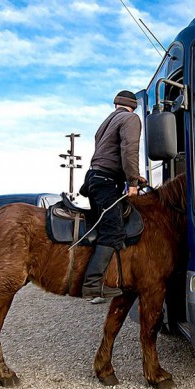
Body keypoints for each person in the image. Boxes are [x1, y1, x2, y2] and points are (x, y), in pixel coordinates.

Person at [82, 90, 147, 299]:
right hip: (107, 181)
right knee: (114, 229)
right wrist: (133, 183)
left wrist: (135, 176)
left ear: (116, 104)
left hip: (94, 178)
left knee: (103, 227)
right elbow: (130, 149)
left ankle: (109, 275)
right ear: (133, 105)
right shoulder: (131, 118)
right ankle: (92, 284)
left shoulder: (105, 123)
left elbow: (108, 155)